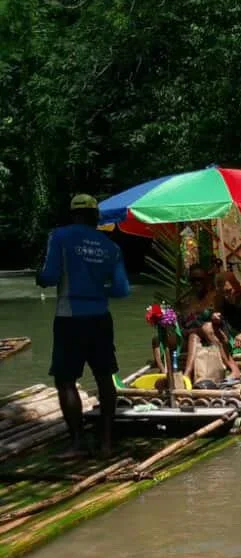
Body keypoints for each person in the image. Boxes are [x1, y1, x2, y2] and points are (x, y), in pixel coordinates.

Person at [37, 194, 130, 457]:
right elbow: (121, 290)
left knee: (66, 381)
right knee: (104, 378)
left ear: (73, 214)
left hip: (69, 318)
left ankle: (77, 444)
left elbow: (50, 275)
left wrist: (40, 279)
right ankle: (107, 443)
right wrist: (96, 290)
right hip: (100, 317)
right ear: (95, 217)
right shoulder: (111, 247)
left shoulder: (60, 236)